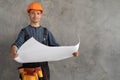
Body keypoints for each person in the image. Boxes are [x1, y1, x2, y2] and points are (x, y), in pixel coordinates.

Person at [10, 2, 79, 80]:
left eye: (38, 13)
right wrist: (13, 51)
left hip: (43, 69)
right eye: (32, 13)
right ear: (28, 14)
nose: (35, 16)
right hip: (28, 70)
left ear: (41, 15)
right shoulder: (24, 31)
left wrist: (71, 52)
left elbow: (56, 47)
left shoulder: (46, 32)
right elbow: (16, 44)